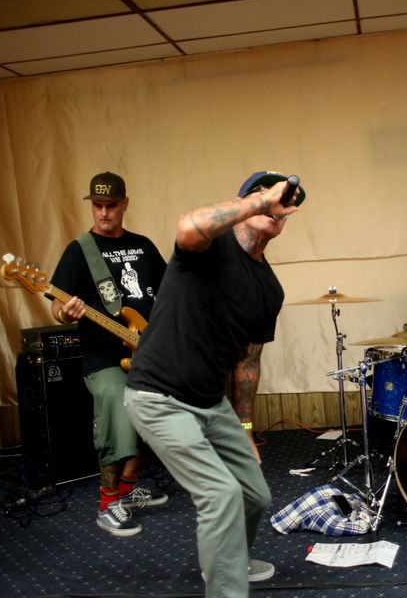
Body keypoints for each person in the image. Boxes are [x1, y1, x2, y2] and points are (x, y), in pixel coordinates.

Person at [124, 171, 302, 597]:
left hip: (210, 403)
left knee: (254, 495)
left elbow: (248, 362)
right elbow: (188, 225)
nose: (274, 206)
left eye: (282, 204)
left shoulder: (269, 290)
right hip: (158, 395)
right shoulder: (208, 246)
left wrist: (245, 428)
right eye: (263, 196)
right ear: (242, 203)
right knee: (220, 495)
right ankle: (226, 584)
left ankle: (225, 562)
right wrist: (260, 201)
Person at [51, 171, 169, 537]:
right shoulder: (80, 250)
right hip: (103, 359)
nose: (104, 213)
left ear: (125, 204)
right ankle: (107, 504)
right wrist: (65, 313)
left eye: (111, 206)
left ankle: (128, 489)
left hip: (148, 352)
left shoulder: (143, 245)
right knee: (118, 410)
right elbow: (56, 306)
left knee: (162, 413)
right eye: (98, 206)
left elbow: (168, 292)